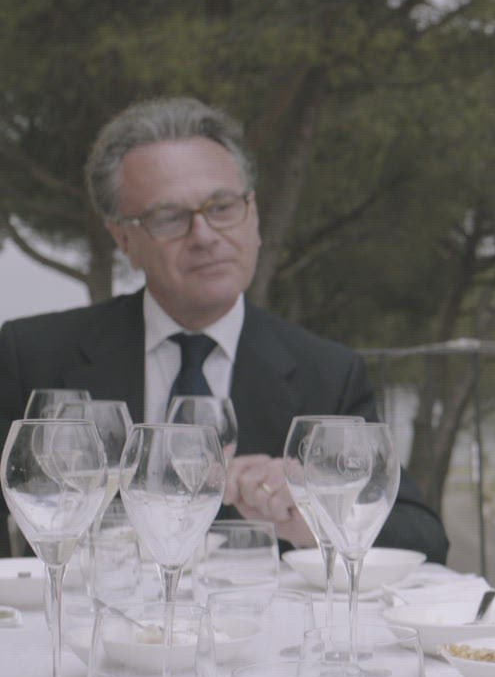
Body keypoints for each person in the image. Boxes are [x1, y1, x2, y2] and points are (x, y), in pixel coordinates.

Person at [0, 96, 448, 563]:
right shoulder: (32, 357)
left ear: (254, 215)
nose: (205, 235)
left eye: (223, 207)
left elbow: (424, 538)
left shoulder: (328, 373)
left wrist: (315, 512)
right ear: (124, 239)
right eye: (170, 217)